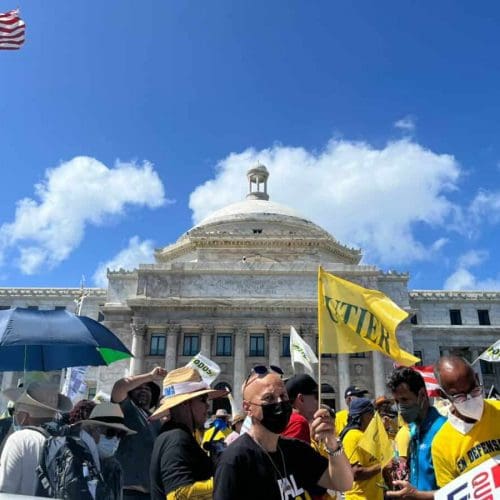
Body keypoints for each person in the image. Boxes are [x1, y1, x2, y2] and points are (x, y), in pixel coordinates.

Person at [213, 366, 353, 499]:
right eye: (269, 398)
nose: (279, 402)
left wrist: (332, 444)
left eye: (283, 396)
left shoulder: (296, 450)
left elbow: (343, 483)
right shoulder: (235, 459)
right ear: (248, 407)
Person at [149, 366, 227, 500]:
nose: (208, 405)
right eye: (203, 399)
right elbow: (178, 494)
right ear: (185, 403)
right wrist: (229, 480)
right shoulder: (176, 438)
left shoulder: (173, 433)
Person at [431, 355, 500, 487]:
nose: (470, 399)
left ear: (477, 379)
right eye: (460, 396)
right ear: (443, 395)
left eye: (474, 390)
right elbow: (450, 492)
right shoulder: (441, 445)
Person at [0, 381, 72, 496]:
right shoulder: (66, 439)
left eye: (16, 411)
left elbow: (4, 491)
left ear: (24, 416)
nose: (15, 415)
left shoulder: (19, 440)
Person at [385, 367, 446, 499]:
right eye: (397, 402)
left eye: (405, 400)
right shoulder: (413, 432)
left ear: (422, 395)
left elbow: (458, 489)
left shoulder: (444, 431)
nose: (400, 408)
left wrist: (417, 495)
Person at [111, 366, 166, 500]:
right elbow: (119, 387)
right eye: (138, 388)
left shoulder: (155, 420)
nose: (143, 390)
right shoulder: (127, 410)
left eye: (147, 389)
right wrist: (150, 376)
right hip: (128, 492)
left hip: (152, 493)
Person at [79, 402, 136, 500]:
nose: (115, 439)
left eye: (120, 435)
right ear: (93, 429)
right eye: (111, 432)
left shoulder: (114, 468)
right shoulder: (75, 458)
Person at [341, 398, 383, 500]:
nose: (373, 417)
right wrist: (382, 465)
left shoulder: (367, 435)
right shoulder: (352, 437)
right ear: (362, 415)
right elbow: (355, 473)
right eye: (371, 413)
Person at [282, 373, 319, 443]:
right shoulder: (298, 422)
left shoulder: (288, 419)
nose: (319, 402)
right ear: (301, 399)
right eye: (316, 396)